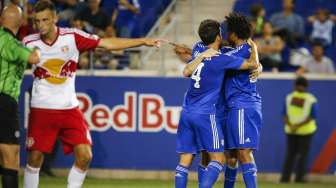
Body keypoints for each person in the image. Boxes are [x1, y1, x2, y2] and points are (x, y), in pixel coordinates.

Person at [22, 1, 161, 188]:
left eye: (45, 19)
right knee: (35, 158)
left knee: (85, 156)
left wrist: (142, 41)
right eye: (37, 21)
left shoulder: (72, 37)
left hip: (69, 108)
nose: (41, 25)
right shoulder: (28, 42)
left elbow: (107, 43)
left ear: (55, 18)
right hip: (41, 109)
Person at [175, 19, 259, 188]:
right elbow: (252, 64)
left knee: (186, 160)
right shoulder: (222, 58)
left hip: (188, 110)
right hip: (208, 112)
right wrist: (255, 49)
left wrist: (191, 54)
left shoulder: (199, 48)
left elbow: (187, 69)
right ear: (219, 35)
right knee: (218, 158)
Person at [0, 4, 40, 188]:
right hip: (4, 101)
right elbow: (33, 59)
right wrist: (37, 48)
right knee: (11, 154)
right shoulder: (10, 43)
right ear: (21, 21)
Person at [280, 76, 318, 183]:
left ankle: (285, 179)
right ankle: (299, 179)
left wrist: (292, 126)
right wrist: (298, 126)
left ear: (295, 85)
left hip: (291, 130)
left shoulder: (289, 97)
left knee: (290, 155)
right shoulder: (311, 99)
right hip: (306, 131)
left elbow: (284, 115)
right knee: (303, 156)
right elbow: (312, 116)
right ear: (306, 86)